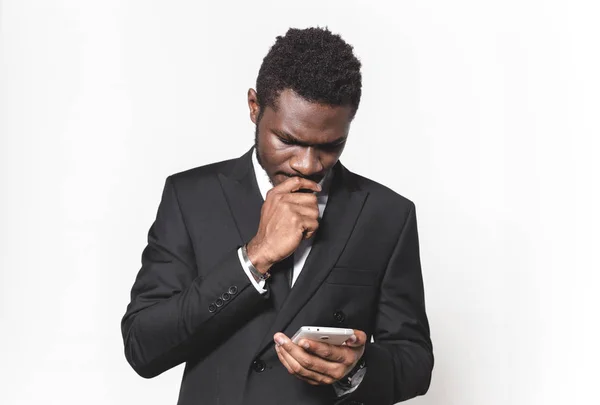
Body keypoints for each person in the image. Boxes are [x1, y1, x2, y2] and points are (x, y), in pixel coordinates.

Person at [121, 27, 433, 405]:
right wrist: (255, 258)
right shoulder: (191, 197)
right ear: (254, 107)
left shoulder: (387, 214)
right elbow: (143, 347)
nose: (307, 164)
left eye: (330, 146)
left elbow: (415, 363)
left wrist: (356, 369)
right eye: (288, 140)